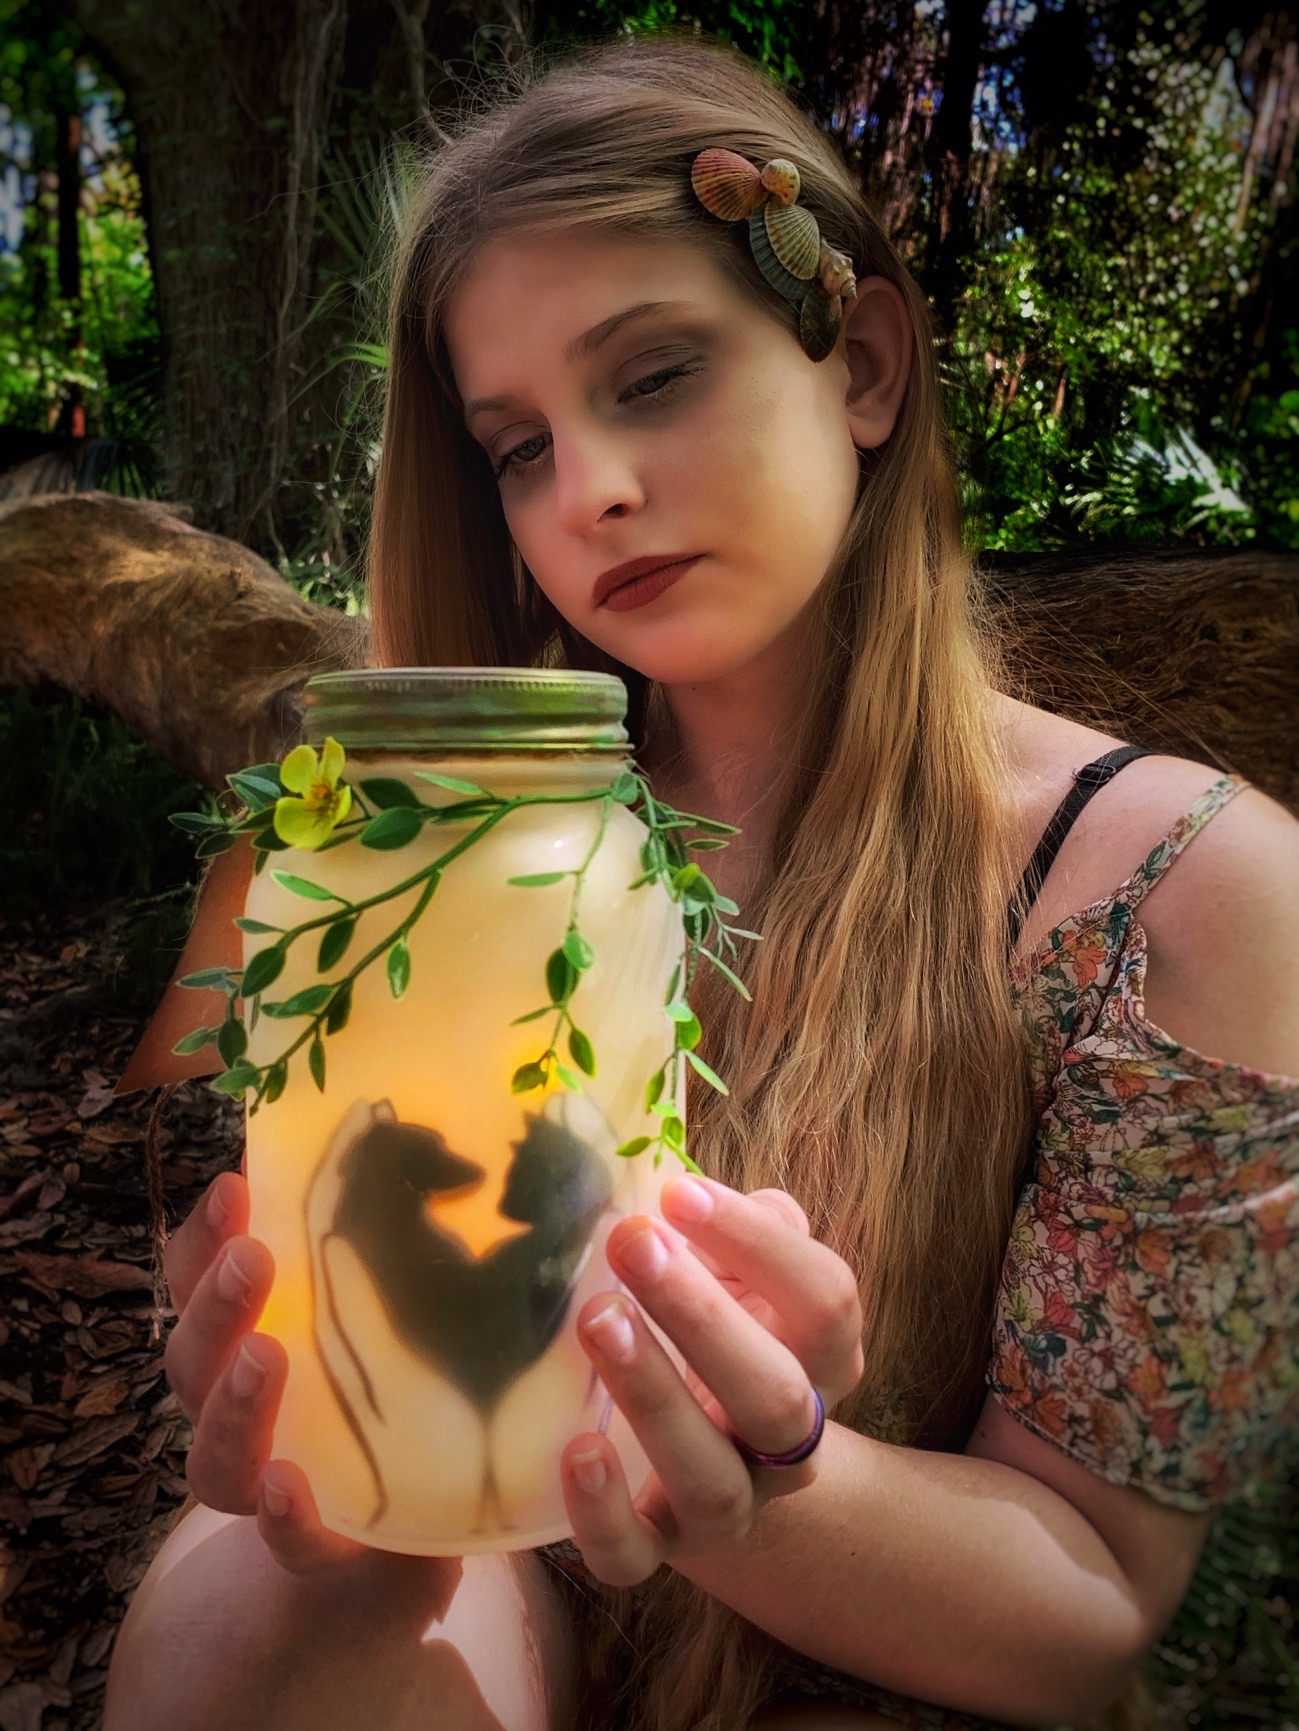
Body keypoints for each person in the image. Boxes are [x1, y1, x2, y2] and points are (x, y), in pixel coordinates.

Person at [104, 36, 1299, 1731]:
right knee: (255, 1612)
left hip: (875, 1666)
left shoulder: (1184, 893)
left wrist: (767, 1481)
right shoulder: (423, 869)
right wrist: (347, 1429)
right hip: (517, 1615)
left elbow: (1090, 1611)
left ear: (865, 362)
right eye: (516, 444)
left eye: (653, 374)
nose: (587, 489)